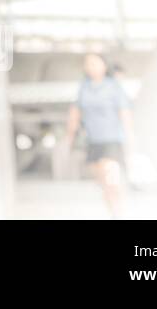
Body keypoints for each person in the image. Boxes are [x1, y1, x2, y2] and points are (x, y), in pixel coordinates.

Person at [64, 52, 135, 218]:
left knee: (111, 178)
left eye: (95, 63)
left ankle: (120, 213)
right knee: (104, 183)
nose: (91, 66)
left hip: (112, 139)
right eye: (88, 63)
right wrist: (70, 136)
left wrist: (129, 135)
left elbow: (125, 112)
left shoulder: (114, 86)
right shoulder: (84, 87)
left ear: (104, 65)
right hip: (93, 140)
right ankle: (114, 212)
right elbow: (76, 112)